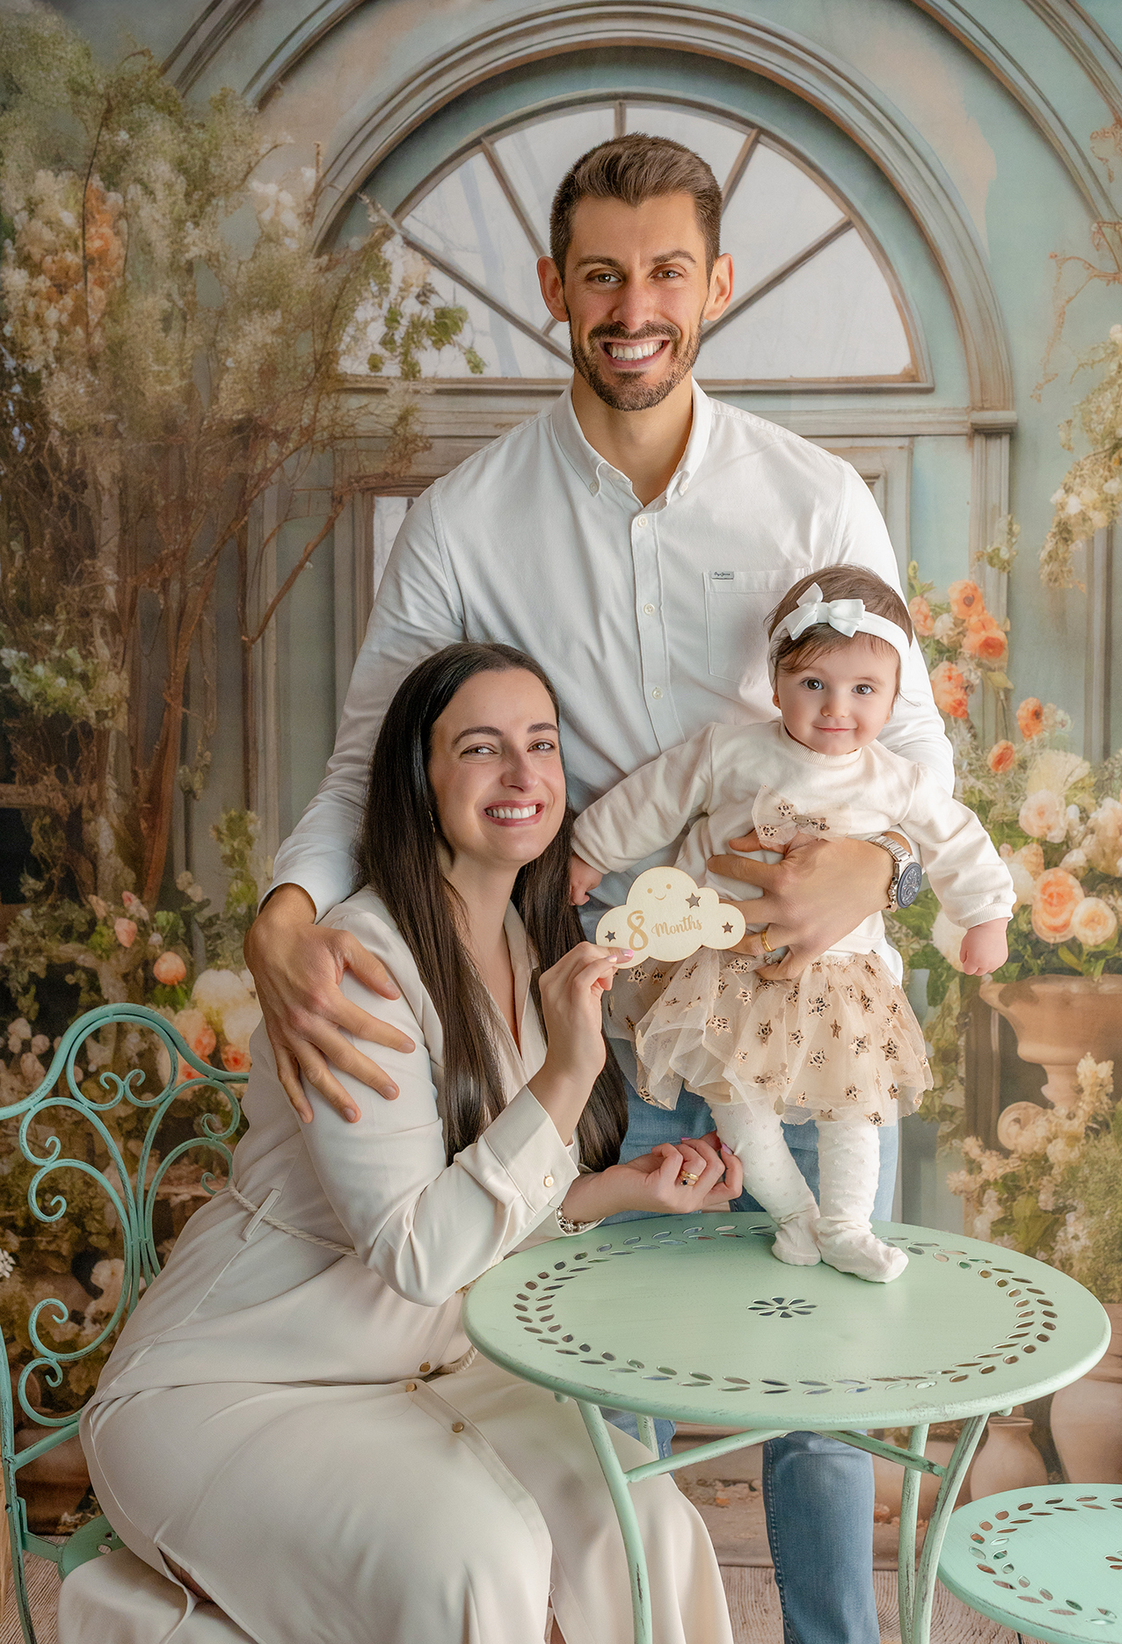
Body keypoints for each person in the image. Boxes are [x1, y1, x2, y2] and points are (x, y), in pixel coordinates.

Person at [244, 133, 957, 1644]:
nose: (636, 304)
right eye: (604, 272)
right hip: (592, 1027)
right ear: (555, 283)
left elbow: (914, 759)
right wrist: (280, 915)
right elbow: (363, 763)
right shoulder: (467, 517)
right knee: (597, 1384)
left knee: (825, 1380)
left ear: (718, 284)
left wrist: (878, 864)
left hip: (802, 1011)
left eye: (668, 271)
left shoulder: (817, 496)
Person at [65, 645, 738, 1644]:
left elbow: (475, 1198)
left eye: (541, 744)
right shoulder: (357, 966)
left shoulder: (522, 939)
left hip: (431, 1371)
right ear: (418, 783)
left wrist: (607, 1195)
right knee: (477, 1561)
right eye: (481, 748)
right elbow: (420, 1252)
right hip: (241, 1383)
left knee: (645, 1525)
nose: (522, 774)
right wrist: (564, 1072)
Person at [570, 564, 1013, 1283]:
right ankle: (794, 1219)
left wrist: (984, 916)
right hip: (726, 971)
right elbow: (653, 799)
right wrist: (589, 851)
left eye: (863, 690)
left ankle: (845, 1224)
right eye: (814, 685)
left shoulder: (894, 779)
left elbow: (957, 840)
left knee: (858, 1106)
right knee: (738, 1103)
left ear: (894, 698)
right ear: (775, 684)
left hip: (841, 982)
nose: (837, 708)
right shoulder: (732, 751)